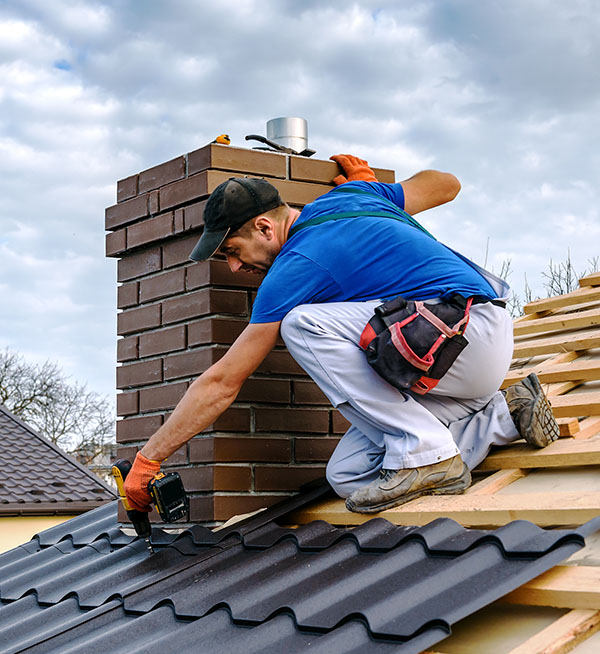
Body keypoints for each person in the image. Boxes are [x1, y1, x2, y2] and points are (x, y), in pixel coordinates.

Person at [124, 154, 559, 515]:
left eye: (232, 252)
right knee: (349, 475)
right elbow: (447, 183)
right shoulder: (356, 194)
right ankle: (504, 415)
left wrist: (150, 459)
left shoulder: (295, 265)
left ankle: (428, 452)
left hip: (464, 333)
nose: (235, 268)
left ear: (263, 227)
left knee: (303, 323)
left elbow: (223, 382)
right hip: (458, 360)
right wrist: (378, 192)